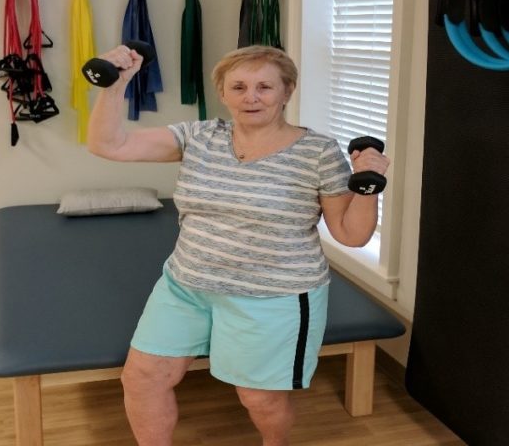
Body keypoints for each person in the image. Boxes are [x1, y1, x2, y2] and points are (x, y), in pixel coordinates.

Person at [87, 44, 390, 446]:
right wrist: (115, 85)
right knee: (142, 378)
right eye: (239, 86)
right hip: (186, 286)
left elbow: (351, 234)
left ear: (287, 91)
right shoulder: (199, 137)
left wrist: (368, 186)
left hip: (274, 296)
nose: (251, 96)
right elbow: (109, 145)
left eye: (265, 86)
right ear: (223, 92)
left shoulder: (318, 152)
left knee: (259, 398)